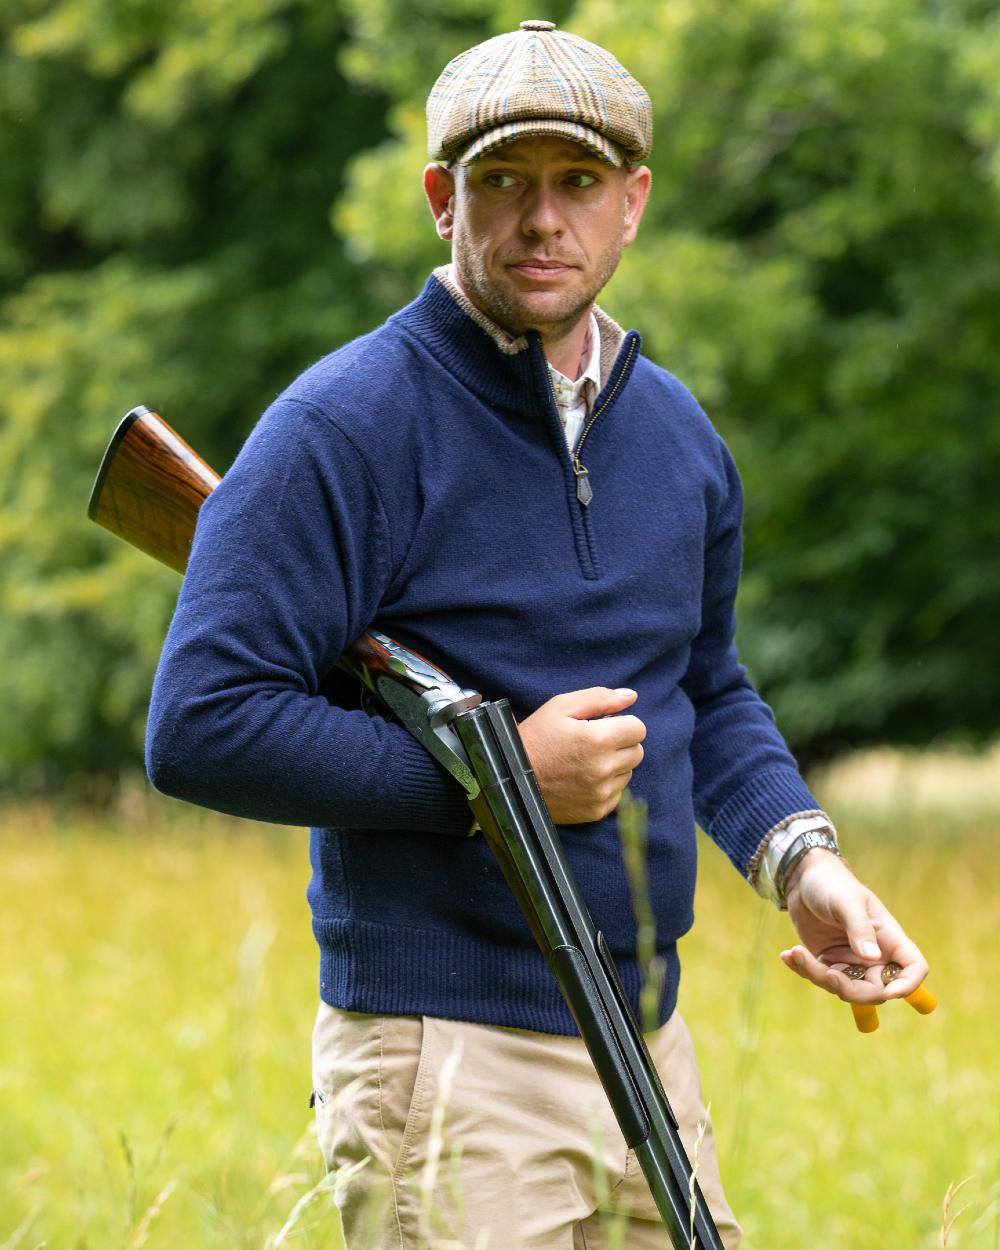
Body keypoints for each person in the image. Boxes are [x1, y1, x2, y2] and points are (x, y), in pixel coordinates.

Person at [145, 19, 930, 1250]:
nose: (541, 220)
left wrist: (800, 864)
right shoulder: (343, 424)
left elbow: (706, 689)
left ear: (633, 203)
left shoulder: (675, 437)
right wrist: (495, 777)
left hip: (643, 1043)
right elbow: (200, 722)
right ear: (440, 200)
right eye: (502, 181)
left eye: (575, 183)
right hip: (446, 1057)